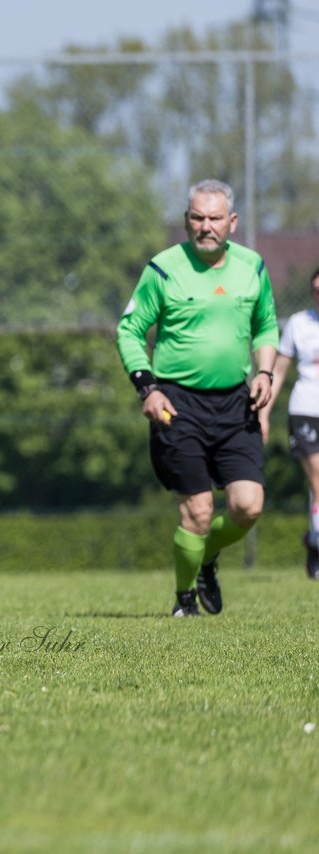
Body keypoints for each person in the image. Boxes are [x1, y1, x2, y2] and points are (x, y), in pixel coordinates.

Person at [116, 179, 279, 617]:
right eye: (197, 218)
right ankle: (184, 600)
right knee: (199, 510)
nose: (205, 226)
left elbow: (266, 326)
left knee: (248, 506)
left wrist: (264, 370)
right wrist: (146, 388)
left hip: (236, 403)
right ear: (187, 220)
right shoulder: (164, 267)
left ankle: (206, 558)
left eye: (214, 218)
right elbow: (129, 329)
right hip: (176, 403)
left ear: (232, 222)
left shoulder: (252, 267)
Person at [259, 266, 319, 580]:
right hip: (306, 410)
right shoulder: (298, 323)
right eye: (316, 290)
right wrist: (264, 414)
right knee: (318, 484)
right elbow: (278, 371)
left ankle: (313, 539)